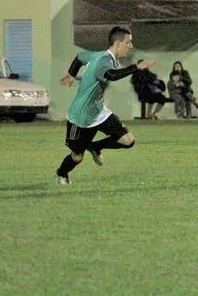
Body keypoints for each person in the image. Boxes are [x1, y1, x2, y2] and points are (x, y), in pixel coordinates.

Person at [56, 26, 156, 185]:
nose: (131, 46)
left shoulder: (100, 55)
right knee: (77, 157)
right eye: (128, 42)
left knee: (128, 140)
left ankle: (95, 147)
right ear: (118, 43)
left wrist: (71, 74)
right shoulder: (103, 61)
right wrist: (136, 67)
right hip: (80, 117)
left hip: (98, 112)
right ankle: (61, 173)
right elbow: (112, 75)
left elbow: (80, 57)